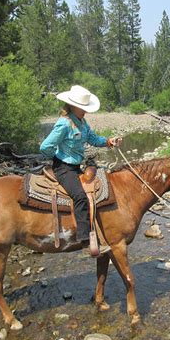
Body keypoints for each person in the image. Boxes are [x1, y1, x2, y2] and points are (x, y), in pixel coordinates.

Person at [40, 85, 122, 253]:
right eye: (83, 108)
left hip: (76, 166)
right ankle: (84, 239)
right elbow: (45, 146)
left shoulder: (83, 123)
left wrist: (108, 141)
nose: (86, 111)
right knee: (80, 196)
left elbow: (93, 139)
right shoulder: (64, 124)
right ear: (73, 106)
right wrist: (57, 156)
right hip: (63, 168)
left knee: (98, 189)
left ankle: (99, 229)